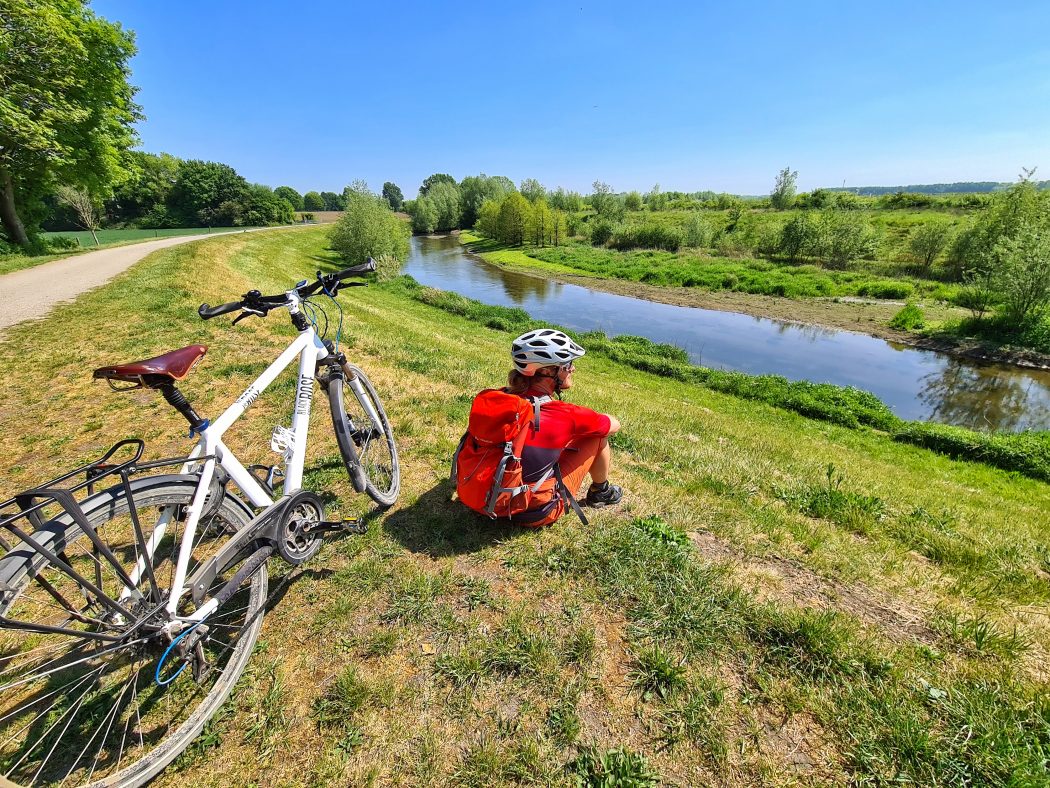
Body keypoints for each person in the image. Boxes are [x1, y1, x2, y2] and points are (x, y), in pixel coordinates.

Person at [506, 328, 623, 526]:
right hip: (532, 511)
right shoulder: (563, 413)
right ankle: (601, 492)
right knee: (597, 436)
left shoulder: (501, 398)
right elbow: (613, 425)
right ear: (547, 371)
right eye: (568, 364)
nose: (572, 369)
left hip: (486, 496)